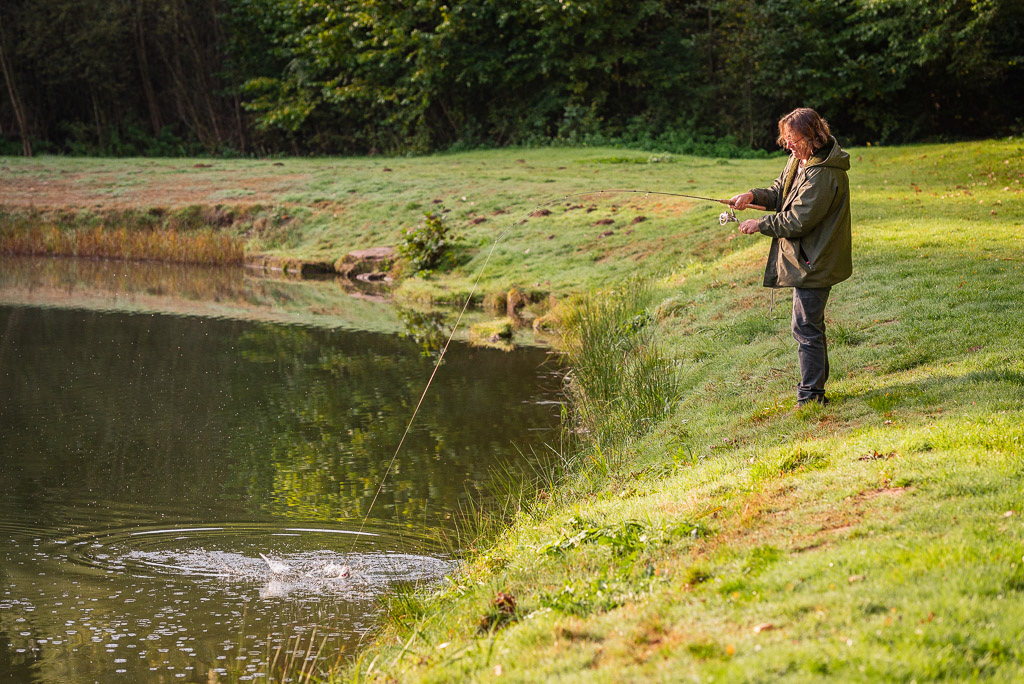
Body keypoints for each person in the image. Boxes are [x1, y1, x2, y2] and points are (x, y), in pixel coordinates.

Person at [730, 107, 852, 408]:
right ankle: (815, 392)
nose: (788, 145)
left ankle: (810, 397)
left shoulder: (823, 173)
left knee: (806, 327)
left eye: (793, 139)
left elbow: (798, 220)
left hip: (816, 259)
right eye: (785, 139)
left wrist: (761, 225)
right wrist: (752, 196)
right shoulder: (800, 160)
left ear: (812, 136)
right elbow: (779, 192)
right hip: (808, 258)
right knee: (810, 326)